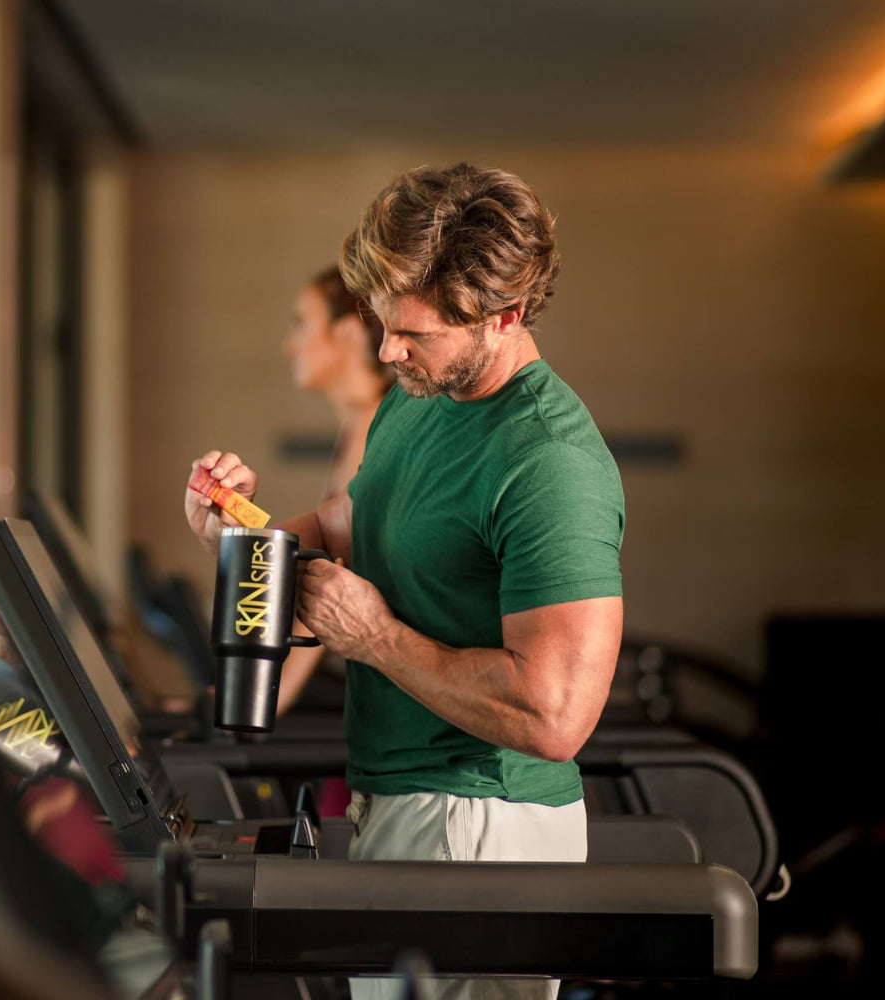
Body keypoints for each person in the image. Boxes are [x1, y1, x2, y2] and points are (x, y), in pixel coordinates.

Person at [184, 164, 624, 1000]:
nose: (388, 351)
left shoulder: (550, 462)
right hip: (403, 808)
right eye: (382, 324)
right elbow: (347, 527)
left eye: (412, 333)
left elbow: (555, 715)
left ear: (506, 315)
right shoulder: (419, 395)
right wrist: (245, 538)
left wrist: (374, 639)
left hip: (482, 827)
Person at [276, 265, 393, 713]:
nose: (291, 344)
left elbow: (333, 569)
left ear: (346, 333)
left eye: (302, 324)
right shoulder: (358, 425)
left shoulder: (375, 431)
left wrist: (274, 696)